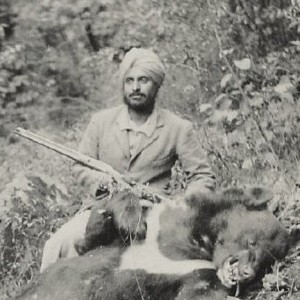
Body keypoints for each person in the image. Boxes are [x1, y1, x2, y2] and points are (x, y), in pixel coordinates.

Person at [40, 47, 215, 272]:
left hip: (152, 213)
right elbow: (80, 167)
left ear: (156, 84)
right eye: (129, 81)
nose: (135, 88)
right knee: (59, 244)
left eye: (143, 80)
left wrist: (182, 206)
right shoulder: (100, 122)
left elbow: (202, 176)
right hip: (102, 209)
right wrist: (107, 183)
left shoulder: (178, 128)